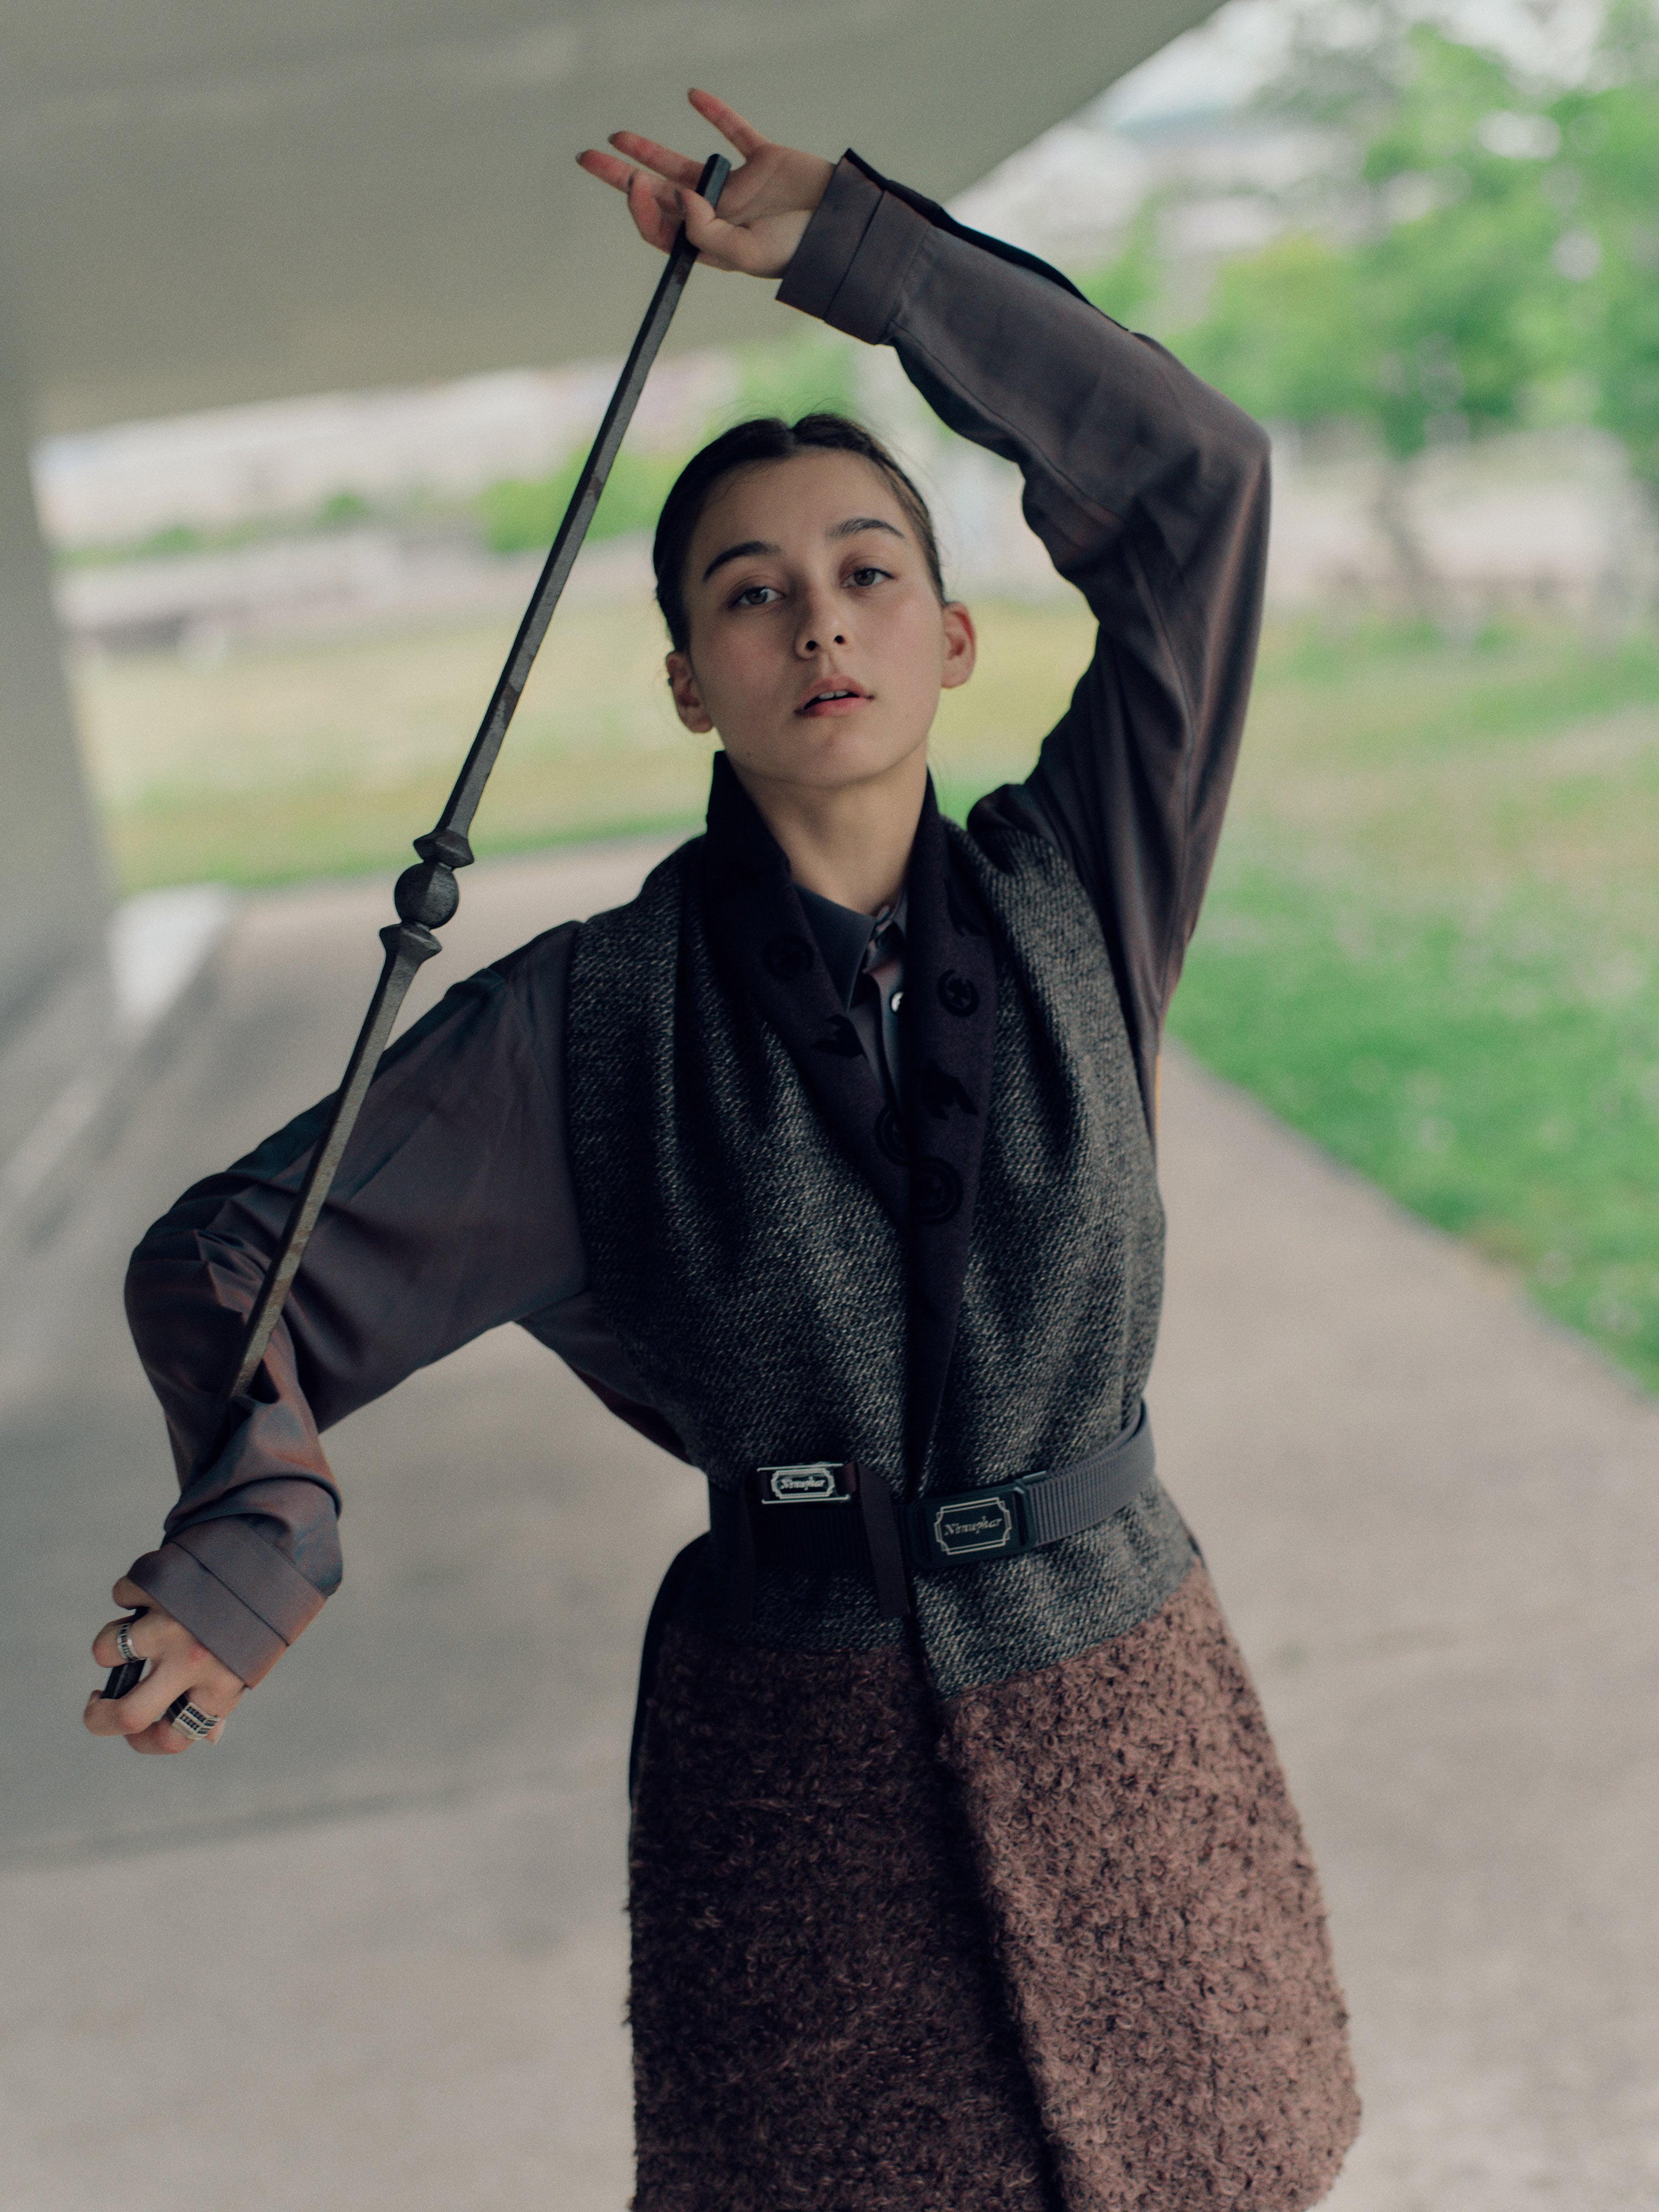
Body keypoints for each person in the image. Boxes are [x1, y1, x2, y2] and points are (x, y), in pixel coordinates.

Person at [84, 90, 1359, 2211]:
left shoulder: (1093, 883)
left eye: (869, 575)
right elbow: (235, 1259)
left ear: (954, 639)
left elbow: (1195, 488)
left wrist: (864, 254)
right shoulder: (585, 1026)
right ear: (690, 681)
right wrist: (257, 1534)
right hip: (795, 1817)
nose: (822, 625)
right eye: (753, 597)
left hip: (1137, 1741)